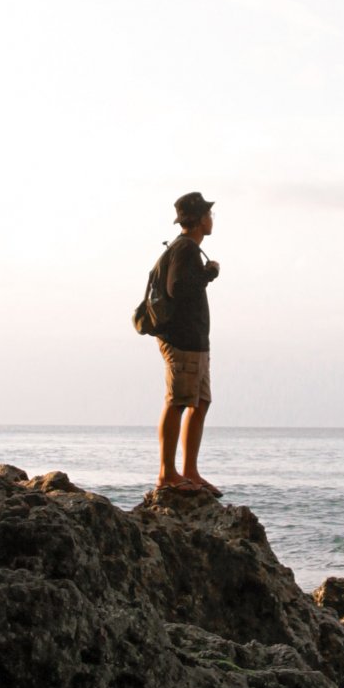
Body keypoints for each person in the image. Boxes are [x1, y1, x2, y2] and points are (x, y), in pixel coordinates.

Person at [156, 191, 221, 496]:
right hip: (182, 341)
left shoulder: (188, 249)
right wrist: (208, 275)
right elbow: (177, 288)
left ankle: (190, 471)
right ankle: (167, 473)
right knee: (178, 402)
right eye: (209, 214)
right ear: (198, 219)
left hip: (195, 342)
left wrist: (205, 274)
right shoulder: (185, 249)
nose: (212, 219)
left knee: (200, 402)